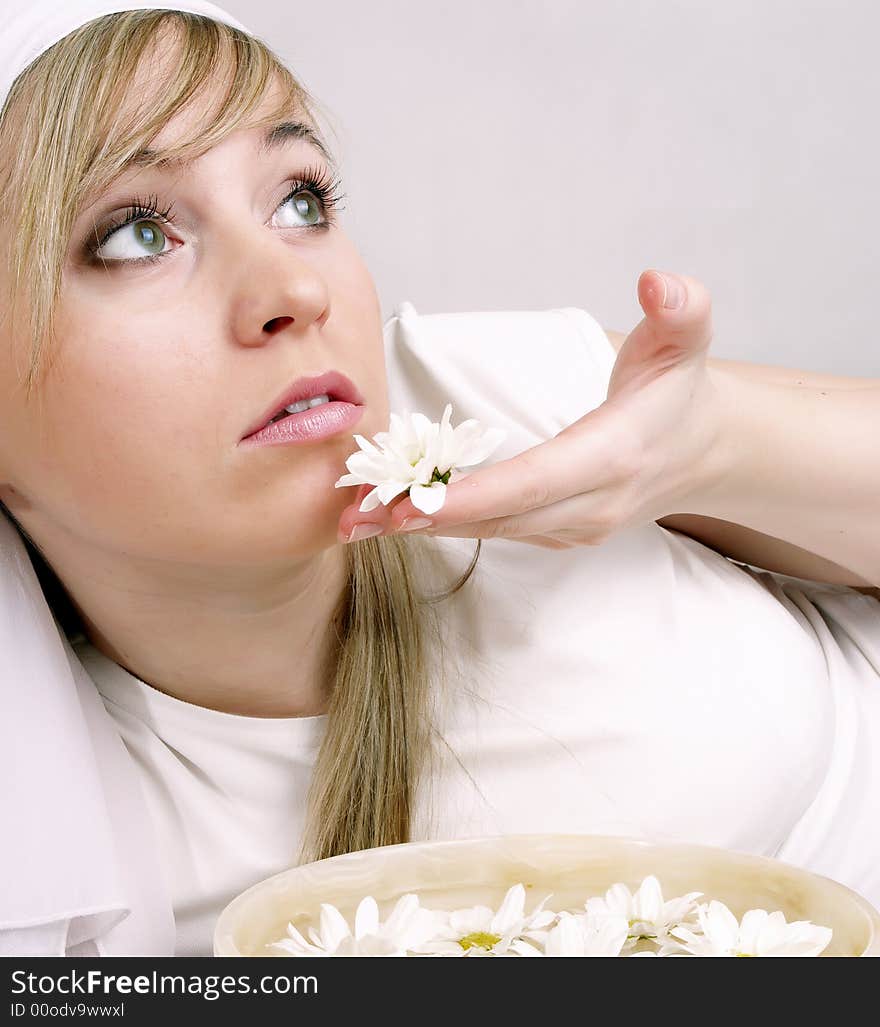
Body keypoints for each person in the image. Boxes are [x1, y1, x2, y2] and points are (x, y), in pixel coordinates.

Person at [1, 2, 877, 958]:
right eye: (133, 234)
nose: (297, 291)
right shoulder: (66, 873)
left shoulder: (489, 397)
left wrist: (716, 447)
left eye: (301, 200)